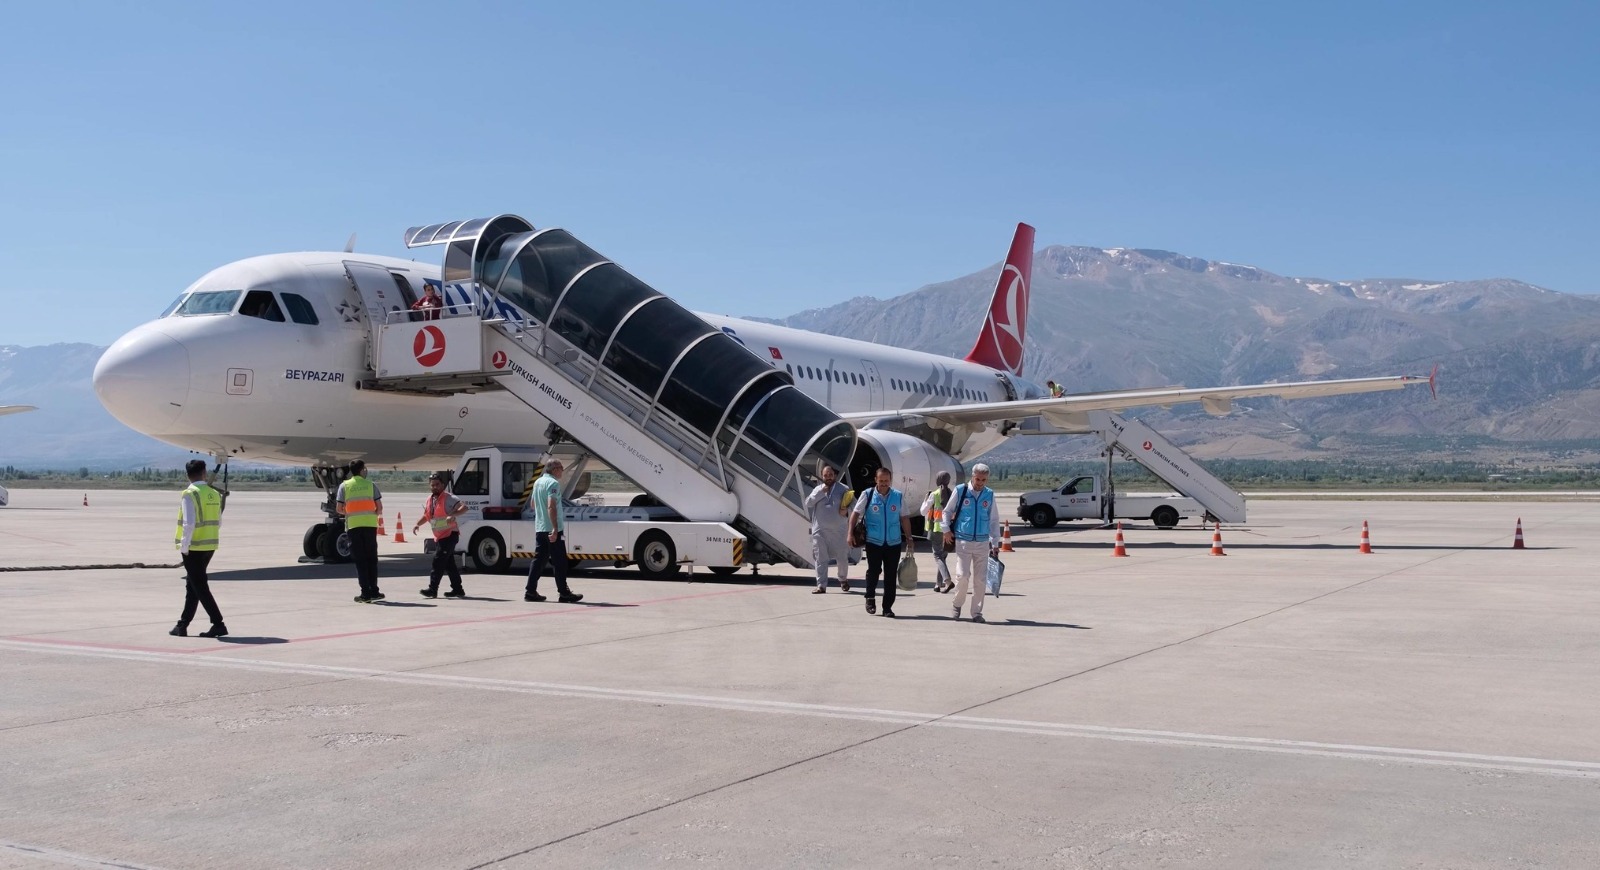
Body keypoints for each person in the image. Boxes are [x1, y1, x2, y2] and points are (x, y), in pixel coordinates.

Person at [170, 459, 227, 638]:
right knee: (192, 585)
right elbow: (218, 521)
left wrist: (184, 547)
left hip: (194, 547)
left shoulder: (190, 494)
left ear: (187, 475)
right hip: (210, 545)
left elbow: (188, 523)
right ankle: (182, 625)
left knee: (200, 586)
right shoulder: (214, 493)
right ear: (204, 473)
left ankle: (218, 623)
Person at [850, 467, 912, 618]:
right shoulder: (868, 494)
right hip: (874, 541)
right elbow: (855, 514)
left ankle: (887, 608)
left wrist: (909, 538)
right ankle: (870, 597)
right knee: (874, 571)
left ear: (890, 480)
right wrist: (849, 533)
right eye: (881, 480)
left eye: (886, 481)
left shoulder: (897, 496)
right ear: (876, 480)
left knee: (890, 575)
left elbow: (904, 517)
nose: (884, 483)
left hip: (893, 542)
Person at [943, 463, 1002, 623]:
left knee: (980, 579)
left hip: (982, 542)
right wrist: (946, 529)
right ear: (972, 476)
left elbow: (994, 519)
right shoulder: (961, 491)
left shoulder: (989, 494)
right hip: (963, 541)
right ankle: (957, 604)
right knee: (963, 576)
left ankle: (976, 612)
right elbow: (947, 511)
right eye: (978, 479)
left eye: (984, 480)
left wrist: (995, 542)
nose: (980, 483)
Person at [524, 459, 583, 604]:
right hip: (551, 529)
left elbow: (532, 504)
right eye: (561, 468)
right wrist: (555, 529)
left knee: (539, 561)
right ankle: (564, 593)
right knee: (560, 562)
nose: (562, 470)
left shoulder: (538, 482)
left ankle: (530, 592)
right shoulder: (553, 483)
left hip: (540, 527)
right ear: (555, 469)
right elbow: (551, 506)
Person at [415, 471, 469, 599]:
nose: (435, 487)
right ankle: (458, 589)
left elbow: (464, 507)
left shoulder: (449, 498)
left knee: (438, 562)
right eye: (432, 485)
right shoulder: (430, 499)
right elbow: (427, 515)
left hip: (450, 535)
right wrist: (417, 524)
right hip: (439, 536)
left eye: (437, 485)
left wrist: (453, 515)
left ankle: (433, 589)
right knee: (449, 564)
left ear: (443, 485)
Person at [337, 459, 384, 602]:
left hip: (353, 527)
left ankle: (365, 594)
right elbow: (379, 507)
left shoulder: (344, 486)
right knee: (372, 559)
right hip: (370, 526)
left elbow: (339, 509)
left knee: (360, 561)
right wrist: (370, 515)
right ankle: (374, 591)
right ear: (363, 469)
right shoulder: (371, 485)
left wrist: (351, 514)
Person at [803, 464, 851, 594]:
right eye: (825, 475)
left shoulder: (844, 489)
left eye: (830, 475)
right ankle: (821, 585)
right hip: (820, 531)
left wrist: (846, 511)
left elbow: (854, 507)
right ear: (822, 476)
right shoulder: (818, 489)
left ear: (835, 476)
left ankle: (843, 579)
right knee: (820, 558)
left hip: (839, 531)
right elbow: (808, 503)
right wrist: (820, 492)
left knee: (842, 557)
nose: (828, 477)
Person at [920, 470, 954, 593]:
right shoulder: (952, 494)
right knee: (942, 557)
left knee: (938, 556)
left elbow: (923, 512)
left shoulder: (934, 494)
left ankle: (947, 580)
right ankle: (938, 584)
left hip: (937, 529)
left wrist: (925, 500)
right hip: (949, 530)